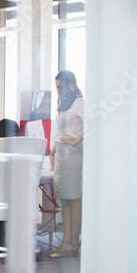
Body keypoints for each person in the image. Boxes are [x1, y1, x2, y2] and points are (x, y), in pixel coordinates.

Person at [49, 70, 84, 258]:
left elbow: (94, 124)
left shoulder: (79, 103)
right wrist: (53, 150)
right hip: (61, 153)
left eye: (60, 87)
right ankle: (67, 242)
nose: (58, 90)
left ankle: (72, 241)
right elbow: (60, 128)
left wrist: (77, 139)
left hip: (73, 153)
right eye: (56, 87)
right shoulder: (63, 104)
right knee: (65, 198)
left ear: (70, 85)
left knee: (74, 197)